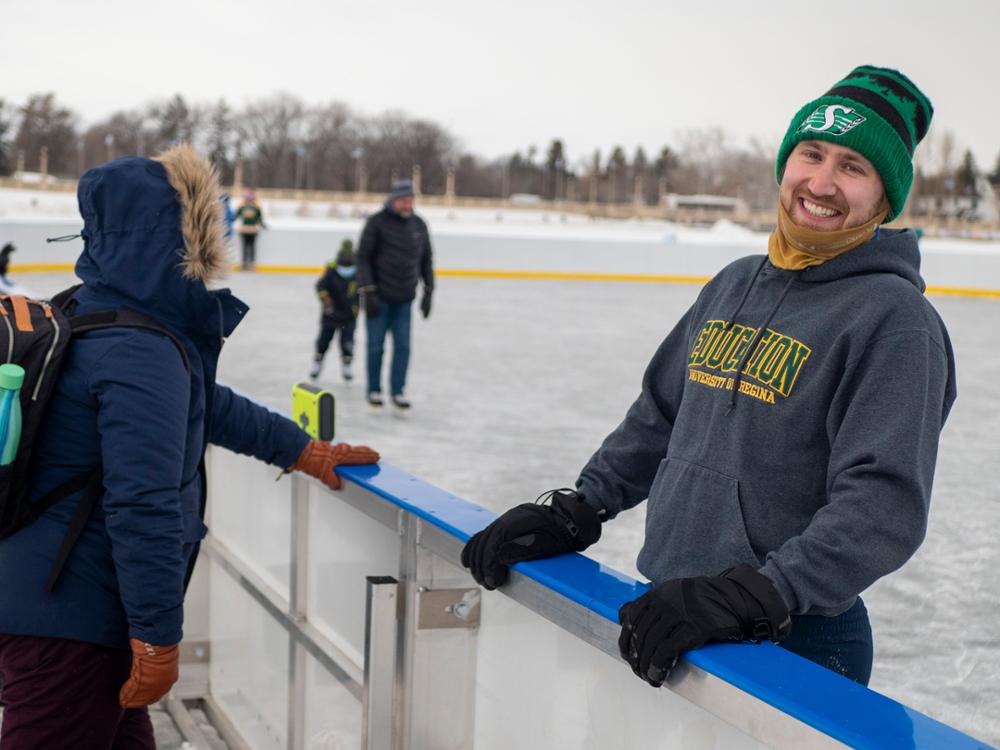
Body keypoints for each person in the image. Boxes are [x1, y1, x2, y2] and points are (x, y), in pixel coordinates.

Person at [461, 65, 956, 689]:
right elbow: (661, 415)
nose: (822, 182)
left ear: (884, 198)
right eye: (812, 153)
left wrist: (756, 594)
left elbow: (882, 507)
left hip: (791, 636)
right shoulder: (736, 283)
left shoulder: (896, 322)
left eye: (854, 167)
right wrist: (581, 507)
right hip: (675, 613)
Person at [0, 144, 379, 749]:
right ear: (172, 236)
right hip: (71, 622)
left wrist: (301, 450)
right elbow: (142, 502)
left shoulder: (95, 312)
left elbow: (205, 404)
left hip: (59, 602)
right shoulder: (138, 350)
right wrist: (157, 635)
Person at [356, 179, 434, 410]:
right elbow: (363, 258)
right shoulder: (376, 222)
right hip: (378, 298)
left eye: (411, 200)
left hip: (404, 299)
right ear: (393, 200)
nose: (407, 204)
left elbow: (427, 259)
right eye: (403, 200)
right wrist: (367, 290)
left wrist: (429, 290)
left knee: (403, 347)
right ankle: (374, 389)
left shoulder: (419, 225)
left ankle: (398, 391)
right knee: (375, 347)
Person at [311, 239, 360, 381]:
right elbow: (320, 286)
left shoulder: (359, 271)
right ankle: (317, 363)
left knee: (347, 342)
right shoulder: (331, 270)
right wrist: (324, 298)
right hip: (330, 314)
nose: (346, 269)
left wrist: (359, 307)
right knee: (323, 340)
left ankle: (347, 366)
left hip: (349, 315)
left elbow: (364, 290)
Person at [234, 189, 266, 270]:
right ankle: (251, 264)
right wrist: (264, 226)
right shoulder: (256, 207)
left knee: (245, 247)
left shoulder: (242, 207)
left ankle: (244, 264)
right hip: (252, 230)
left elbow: (236, 216)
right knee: (251, 247)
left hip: (244, 230)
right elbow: (260, 219)